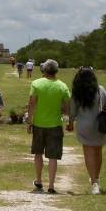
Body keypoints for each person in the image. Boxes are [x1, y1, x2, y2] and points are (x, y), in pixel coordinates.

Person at [26, 59, 70, 193]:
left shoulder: (36, 84)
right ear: (56, 71)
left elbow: (32, 104)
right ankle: (51, 185)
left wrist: (29, 121)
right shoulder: (62, 86)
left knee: (38, 153)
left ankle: (39, 181)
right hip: (55, 124)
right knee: (53, 157)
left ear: (44, 70)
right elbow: (68, 107)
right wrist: (70, 121)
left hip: (39, 124)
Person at [68, 66, 106, 195]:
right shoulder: (100, 90)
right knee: (98, 152)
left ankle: (93, 182)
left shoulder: (77, 92)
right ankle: (97, 178)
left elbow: (73, 111)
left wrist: (70, 123)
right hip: (99, 125)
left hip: (84, 125)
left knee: (88, 153)